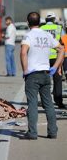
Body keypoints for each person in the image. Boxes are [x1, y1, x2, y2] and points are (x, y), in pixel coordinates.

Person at [20, 12, 64, 140]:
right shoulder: (47, 35)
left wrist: (25, 70)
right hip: (46, 74)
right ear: (40, 22)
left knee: (32, 103)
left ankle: (32, 133)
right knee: (48, 104)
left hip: (32, 74)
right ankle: (52, 132)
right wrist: (55, 66)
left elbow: (23, 53)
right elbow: (61, 49)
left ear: (28, 23)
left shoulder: (28, 36)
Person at [40, 12, 66, 109]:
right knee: (57, 79)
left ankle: (45, 102)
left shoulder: (41, 29)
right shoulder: (58, 28)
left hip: (44, 57)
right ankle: (59, 101)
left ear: (46, 20)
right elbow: (63, 41)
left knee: (44, 81)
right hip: (56, 57)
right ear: (54, 19)